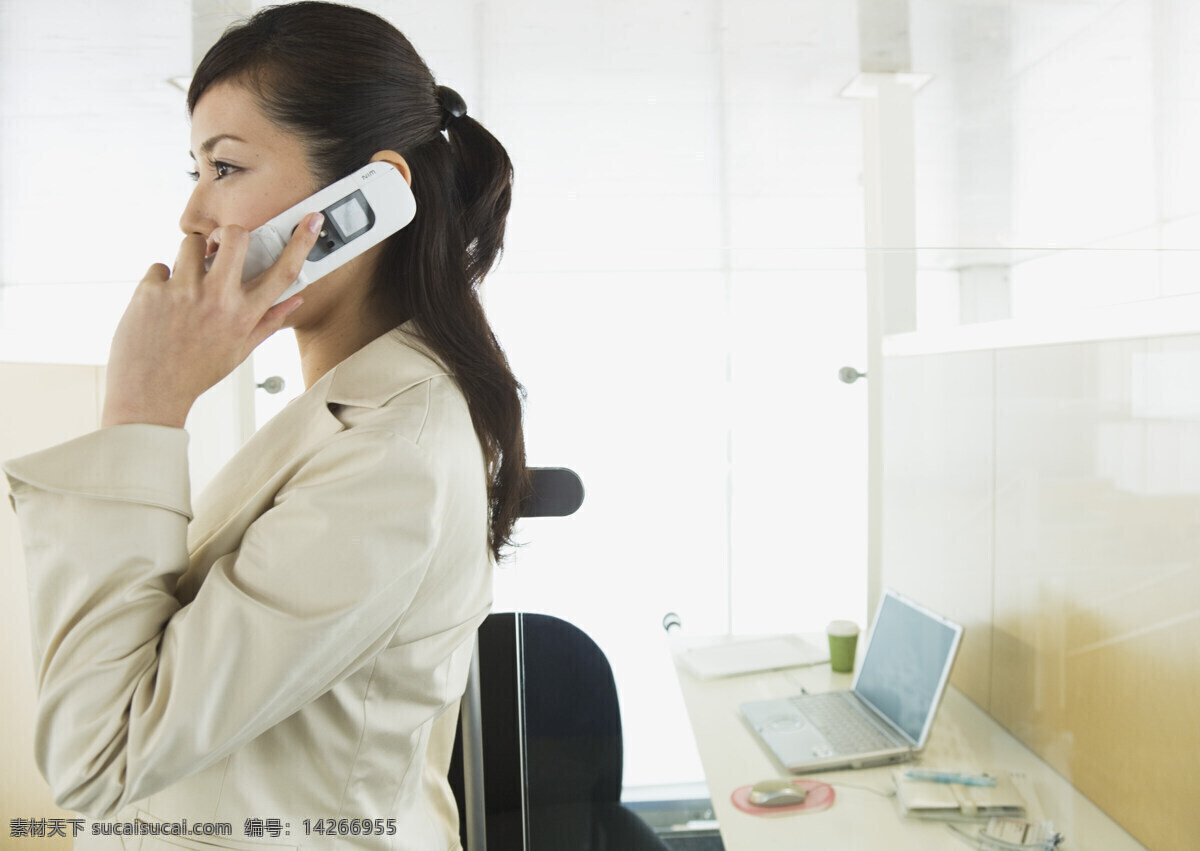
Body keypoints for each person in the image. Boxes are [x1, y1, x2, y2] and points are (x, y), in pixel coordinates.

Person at [3, 3, 529, 848]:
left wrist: (141, 411)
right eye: (195, 172)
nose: (193, 216)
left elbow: (98, 757)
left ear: (370, 196)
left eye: (226, 167)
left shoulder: (396, 455)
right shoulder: (354, 415)